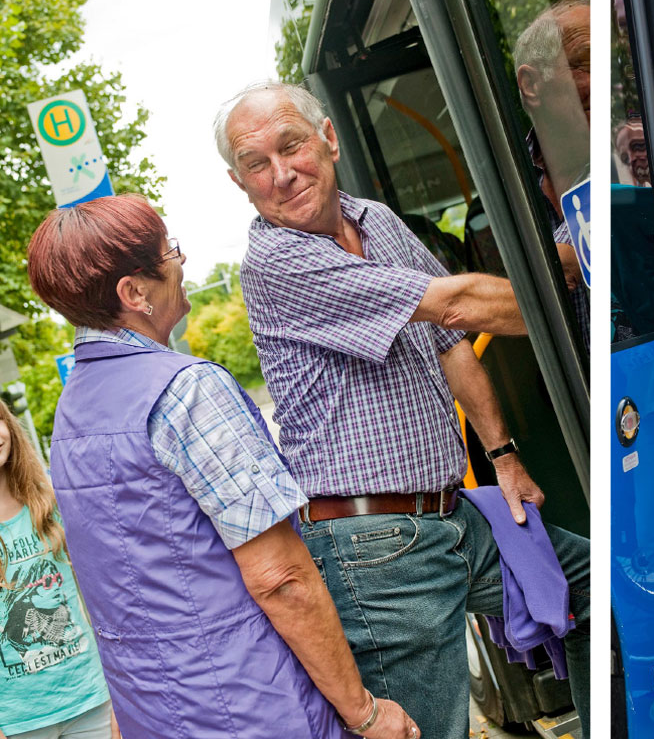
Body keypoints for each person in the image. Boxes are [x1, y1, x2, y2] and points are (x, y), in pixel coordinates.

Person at [214, 82, 590, 739]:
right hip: (373, 552)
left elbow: (449, 345)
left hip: (450, 521)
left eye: (291, 145)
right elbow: (456, 307)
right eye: (255, 163)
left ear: (328, 139)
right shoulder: (276, 264)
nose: (280, 173)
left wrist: (502, 455)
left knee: (593, 589)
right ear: (238, 181)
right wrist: (586, 273)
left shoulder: (378, 221)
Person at [26, 196, 418, 739]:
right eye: (170, 252)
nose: (181, 263)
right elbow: (280, 577)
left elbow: (105, 582)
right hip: (251, 702)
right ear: (134, 292)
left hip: (155, 710)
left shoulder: (72, 410)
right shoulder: (186, 389)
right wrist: (364, 711)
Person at [0, 404, 115, 739]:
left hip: (91, 701)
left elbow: (100, 598)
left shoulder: (51, 501)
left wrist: (119, 690)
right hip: (19, 720)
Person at [514, 0, 591, 349]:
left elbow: (564, 269)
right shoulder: (513, 189)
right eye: (588, 62)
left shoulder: (630, 158)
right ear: (531, 84)